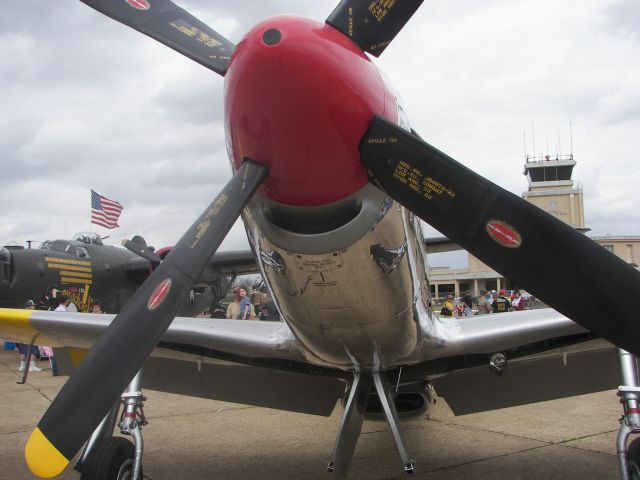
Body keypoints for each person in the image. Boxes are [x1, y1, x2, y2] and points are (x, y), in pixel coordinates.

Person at [17, 300, 42, 372]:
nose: (34, 307)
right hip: (31, 335)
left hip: (22, 335)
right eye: (33, 306)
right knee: (33, 351)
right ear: (30, 306)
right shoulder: (32, 314)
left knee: (23, 351)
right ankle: (32, 367)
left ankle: (22, 366)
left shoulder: (20, 314)